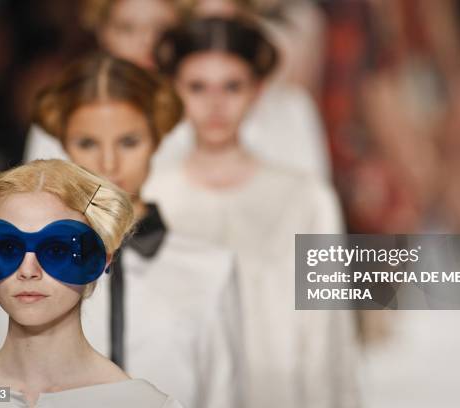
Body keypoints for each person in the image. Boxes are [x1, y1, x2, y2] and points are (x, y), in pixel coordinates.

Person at [0, 53, 242, 408]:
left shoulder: (210, 270)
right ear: (63, 145)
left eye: (129, 141)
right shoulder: (17, 266)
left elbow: (225, 397)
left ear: (156, 141)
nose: (109, 163)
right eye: (87, 143)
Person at [145, 17, 360, 408]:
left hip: (283, 392)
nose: (215, 104)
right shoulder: (150, 196)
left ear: (257, 91)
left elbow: (328, 326)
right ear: (174, 90)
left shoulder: (306, 198)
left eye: (232, 86)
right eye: (197, 87)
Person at [0, 159, 182, 407]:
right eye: (8, 248)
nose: (28, 271)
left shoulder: (140, 404)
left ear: (99, 260)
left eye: (56, 250)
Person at [23, 0, 331, 180]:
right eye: (127, 28)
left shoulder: (285, 109)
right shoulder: (61, 111)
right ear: (101, 31)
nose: (144, 43)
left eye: (158, 30)